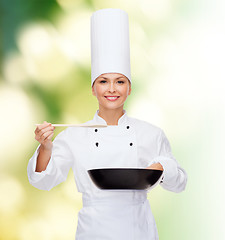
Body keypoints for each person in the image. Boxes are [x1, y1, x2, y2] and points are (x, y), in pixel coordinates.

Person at [27, 8, 187, 240]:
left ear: (129, 88)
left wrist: (162, 167)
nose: (112, 89)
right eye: (103, 81)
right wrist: (45, 147)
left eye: (120, 81)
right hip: (94, 230)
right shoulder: (74, 135)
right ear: (93, 88)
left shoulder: (150, 133)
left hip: (138, 230)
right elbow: (43, 180)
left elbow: (179, 183)